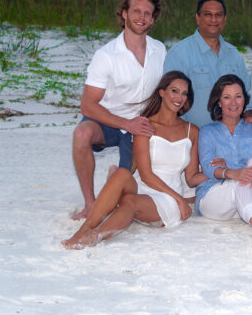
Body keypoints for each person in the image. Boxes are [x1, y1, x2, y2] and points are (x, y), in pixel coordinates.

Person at [62, 71, 206, 249]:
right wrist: (180, 199)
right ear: (162, 92)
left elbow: (191, 177)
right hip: (145, 184)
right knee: (122, 174)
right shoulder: (145, 126)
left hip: (167, 197)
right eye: (174, 91)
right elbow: (145, 175)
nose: (179, 97)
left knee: (130, 201)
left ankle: (96, 236)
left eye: (184, 93)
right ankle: (82, 231)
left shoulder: (192, 131)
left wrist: (220, 173)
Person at [71, 0, 166, 220]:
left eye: (147, 13)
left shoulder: (160, 50)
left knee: (126, 191)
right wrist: (126, 123)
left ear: (153, 19)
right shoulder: (106, 55)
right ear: (124, 14)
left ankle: (116, 175)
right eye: (136, 11)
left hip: (141, 127)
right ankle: (89, 203)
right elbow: (87, 105)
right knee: (82, 134)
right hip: (109, 120)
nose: (141, 17)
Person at [196, 74, 252, 244]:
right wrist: (232, 173)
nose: (233, 103)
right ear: (219, 102)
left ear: (245, 100)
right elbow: (207, 167)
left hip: (246, 201)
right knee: (240, 180)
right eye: (227, 98)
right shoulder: (207, 132)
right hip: (213, 198)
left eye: (238, 96)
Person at [163, 0, 252, 128]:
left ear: (224, 19)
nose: (213, 19)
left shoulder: (234, 54)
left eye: (218, 15)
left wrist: (250, 113)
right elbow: (170, 100)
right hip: (194, 137)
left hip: (233, 136)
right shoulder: (179, 53)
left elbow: (247, 91)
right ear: (197, 18)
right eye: (207, 14)